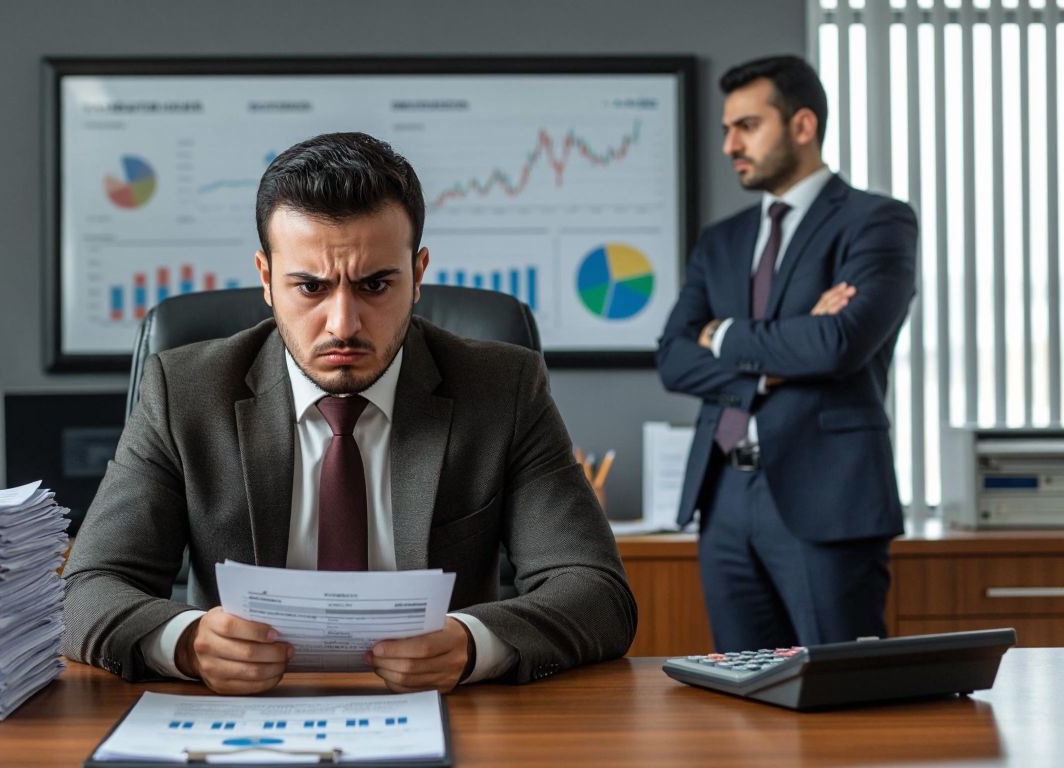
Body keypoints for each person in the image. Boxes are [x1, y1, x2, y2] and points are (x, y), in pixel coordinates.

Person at [64, 132, 636, 693]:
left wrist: (473, 643)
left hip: (446, 716)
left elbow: (596, 591)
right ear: (266, 279)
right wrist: (187, 644)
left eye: (375, 284)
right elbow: (87, 589)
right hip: (244, 723)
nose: (343, 323)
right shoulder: (184, 392)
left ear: (418, 274)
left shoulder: (503, 389)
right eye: (310, 287)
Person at [656, 56, 917, 651]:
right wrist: (779, 359)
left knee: (843, 700)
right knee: (745, 702)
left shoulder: (877, 222)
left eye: (747, 125)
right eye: (726, 129)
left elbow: (838, 343)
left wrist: (720, 335)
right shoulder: (721, 241)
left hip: (827, 497)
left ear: (802, 125)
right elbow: (672, 356)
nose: (729, 145)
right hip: (721, 497)